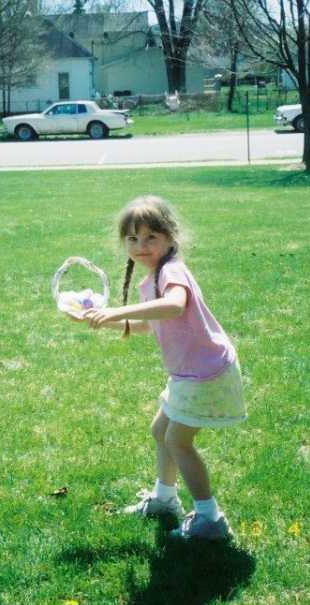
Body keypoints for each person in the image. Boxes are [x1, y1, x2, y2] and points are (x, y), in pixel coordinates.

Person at [72, 195, 246, 541]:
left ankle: (210, 520)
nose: (141, 246)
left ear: (170, 237)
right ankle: (165, 500)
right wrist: (97, 319)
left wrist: (115, 311)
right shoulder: (151, 280)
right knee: (160, 431)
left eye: (151, 237)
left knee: (178, 442)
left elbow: (174, 306)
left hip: (205, 373)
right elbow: (147, 324)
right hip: (190, 373)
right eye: (133, 239)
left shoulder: (172, 272)